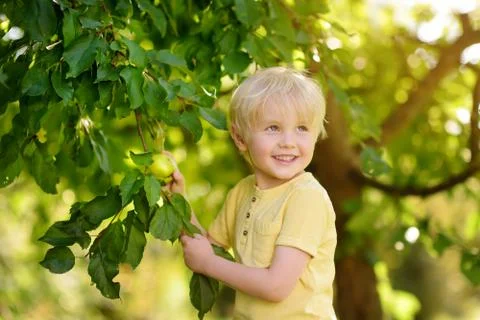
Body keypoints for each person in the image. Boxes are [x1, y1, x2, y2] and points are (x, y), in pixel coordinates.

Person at [168, 66, 337, 319]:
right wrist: (177, 199)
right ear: (239, 137)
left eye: (302, 128)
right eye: (273, 128)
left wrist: (207, 263)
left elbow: (276, 286)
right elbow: (208, 249)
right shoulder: (242, 192)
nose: (288, 141)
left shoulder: (306, 197)